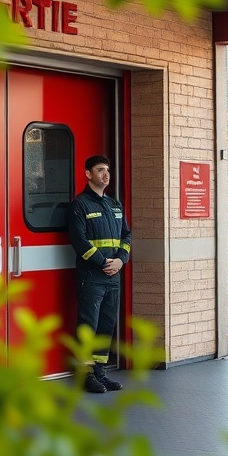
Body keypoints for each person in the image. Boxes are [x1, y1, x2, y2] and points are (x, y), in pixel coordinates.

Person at [67, 154, 132, 393]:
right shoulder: (80, 205)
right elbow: (79, 241)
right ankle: (85, 374)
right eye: (100, 170)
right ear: (88, 174)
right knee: (88, 326)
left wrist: (121, 261)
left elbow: (126, 236)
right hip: (91, 276)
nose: (106, 174)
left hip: (113, 276)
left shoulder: (115, 205)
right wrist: (103, 262)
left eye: (108, 170)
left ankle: (100, 373)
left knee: (106, 325)